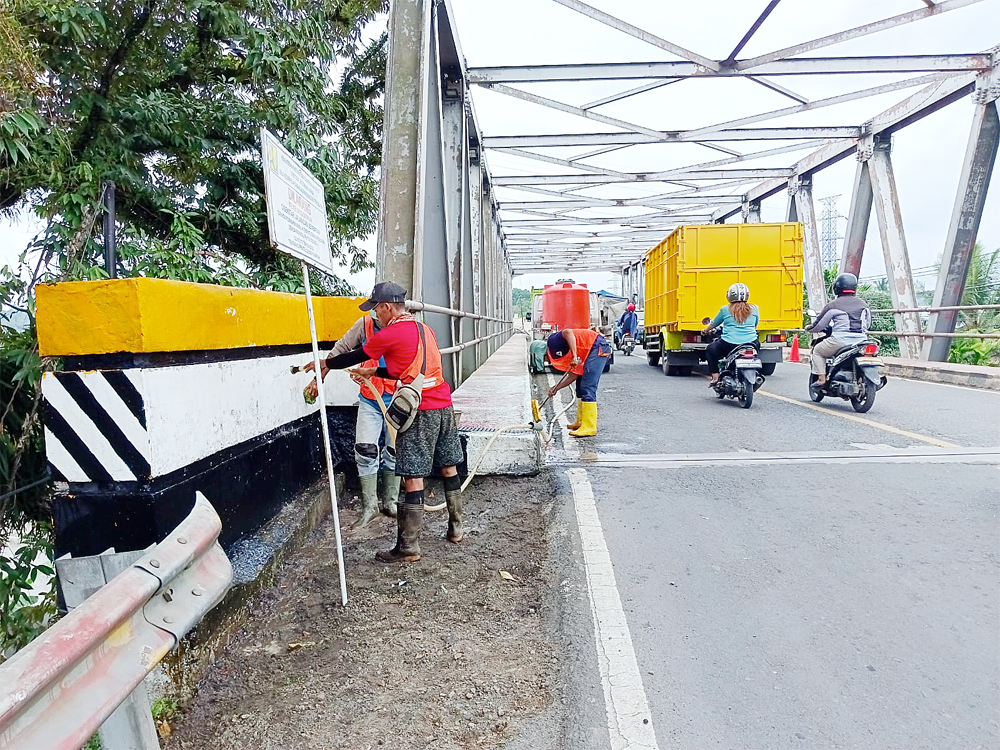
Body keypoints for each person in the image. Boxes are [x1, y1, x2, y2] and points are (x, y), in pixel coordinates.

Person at [315, 281, 465, 564]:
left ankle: (408, 546)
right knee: (448, 466)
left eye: (376, 309)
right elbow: (406, 367)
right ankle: (456, 528)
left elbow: (351, 357)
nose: (376, 316)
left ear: (386, 307)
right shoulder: (425, 329)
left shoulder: (392, 332)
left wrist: (323, 363)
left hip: (418, 409)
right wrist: (376, 372)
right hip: (444, 404)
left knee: (412, 476)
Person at [303, 312, 400, 529]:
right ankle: (370, 507)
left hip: (398, 398)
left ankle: (391, 503)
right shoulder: (365, 325)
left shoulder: (404, 326)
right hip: (370, 398)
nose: (378, 313)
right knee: (365, 449)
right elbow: (336, 355)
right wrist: (317, 380)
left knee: (394, 450)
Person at [805, 273, 872, 386]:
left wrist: (809, 328)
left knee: (817, 351)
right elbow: (868, 324)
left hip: (840, 341)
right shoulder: (863, 304)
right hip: (861, 341)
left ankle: (821, 379)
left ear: (837, 288)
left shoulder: (833, 305)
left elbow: (819, 325)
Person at [545, 328, 611, 438]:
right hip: (588, 350)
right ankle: (581, 422)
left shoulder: (553, 341)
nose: (546, 361)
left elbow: (567, 332)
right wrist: (556, 388)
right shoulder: (561, 351)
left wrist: (575, 356)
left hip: (597, 346)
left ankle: (589, 426)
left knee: (588, 386)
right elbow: (573, 376)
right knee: (580, 387)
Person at [701, 283, 760, 385]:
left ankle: (715, 377)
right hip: (752, 343)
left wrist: (705, 330)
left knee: (711, 350)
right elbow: (755, 324)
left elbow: (714, 323)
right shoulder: (755, 308)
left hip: (729, 344)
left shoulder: (725, 309)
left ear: (729, 296)